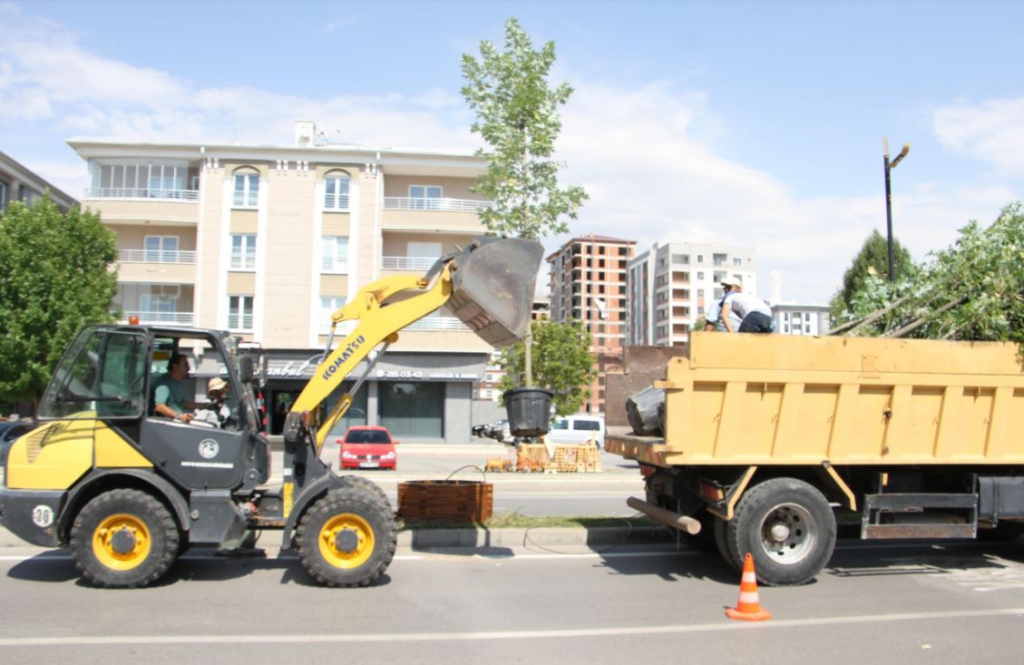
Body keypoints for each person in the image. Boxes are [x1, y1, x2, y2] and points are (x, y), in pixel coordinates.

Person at [151, 353, 208, 423]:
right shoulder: (164, 383)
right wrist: (179, 416)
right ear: (175, 366)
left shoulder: (176, 382)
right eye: (185, 365)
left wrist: (203, 406)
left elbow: (183, 403)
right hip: (170, 423)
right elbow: (159, 407)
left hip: (179, 420)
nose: (188, 368)